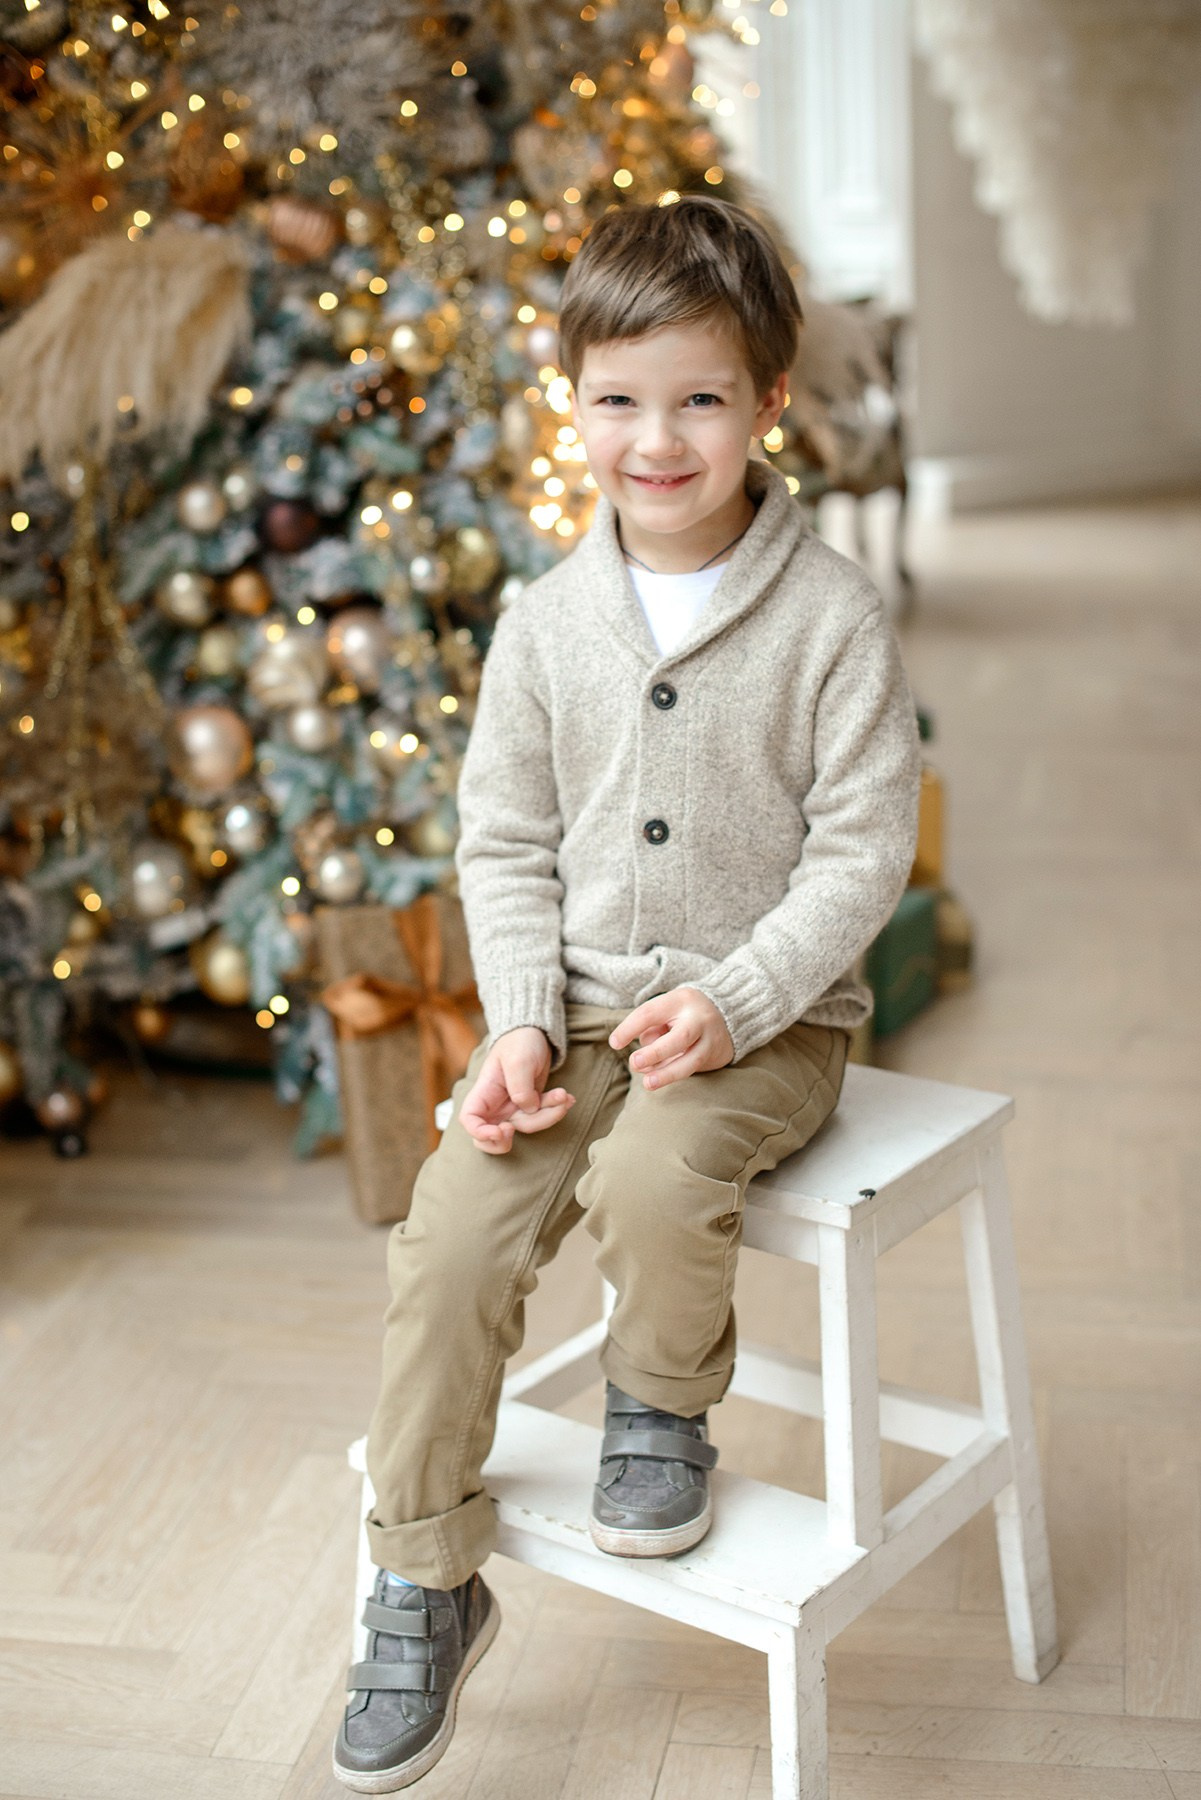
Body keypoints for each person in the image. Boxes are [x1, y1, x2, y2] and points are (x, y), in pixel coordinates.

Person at [333, 194, 921, 1792]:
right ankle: (420, 1570)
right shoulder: (543, 624)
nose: (654, 440)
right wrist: (519, 1014)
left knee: (660, 1174)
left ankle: (656, 1408)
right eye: (617, 400)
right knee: (452, 1226)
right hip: (571, 1010)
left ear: (768, 402)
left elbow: (864, 856)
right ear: (572, 399)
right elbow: (503, 836)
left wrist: (740, 998)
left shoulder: (829, 621)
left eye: (699, 399)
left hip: (769, 1021)